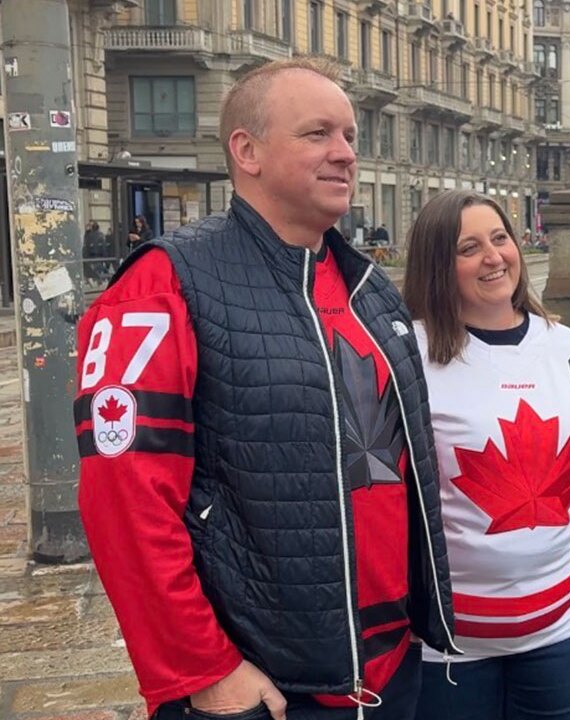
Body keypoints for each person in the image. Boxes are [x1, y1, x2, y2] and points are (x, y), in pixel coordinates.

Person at [74, 57, 458, 720]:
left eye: (351, 137)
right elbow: (124, 503)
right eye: (318, 134)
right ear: (246, 151)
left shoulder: (371, 288)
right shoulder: (163, 286)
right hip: (263, 689)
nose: (344, 154)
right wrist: (204, 668)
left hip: (392, 667)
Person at [401, 189, 570, 720]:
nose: (493, 257)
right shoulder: (409, 354)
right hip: (449, 646)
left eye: (500, 238)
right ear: (438, 265)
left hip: (562, 633)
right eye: (469, 247)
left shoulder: (566, 347)